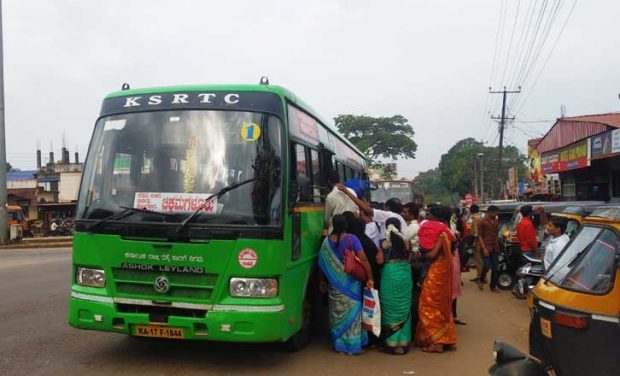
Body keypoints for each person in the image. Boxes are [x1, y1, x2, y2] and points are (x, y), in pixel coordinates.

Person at [318, 214, 374, 355]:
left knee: (337, 314)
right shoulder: (351, 239)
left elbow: (323, 265)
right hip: (351, 285)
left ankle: (340, 346)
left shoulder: (326, 242)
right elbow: (364, 260)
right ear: (346, 225)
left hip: (334, 286)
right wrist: (370, 277)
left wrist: (322, 281)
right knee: (353, 315)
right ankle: (352, 347)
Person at [415, 205, 457, 353]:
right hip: (442, 272)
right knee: (440, 306)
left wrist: (421, 256)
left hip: (436, 272)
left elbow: (432, 255)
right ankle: (445, 338)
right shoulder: (446, 232)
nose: (428, 217)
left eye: (429, 215)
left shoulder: (441, 234)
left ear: (436, 216)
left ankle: (437, 343)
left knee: (428, 305)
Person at [377, 217, 412, 354]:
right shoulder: (405, 240)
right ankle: (403, 344)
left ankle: (390, 344)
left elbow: (379, 261)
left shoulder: (384, 243)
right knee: (403, 306)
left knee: (389, 307)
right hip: (404, 274)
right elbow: (408, 258)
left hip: (390, 275)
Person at [477, 205, 501, 293]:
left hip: (495, 246)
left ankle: (493, 286)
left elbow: (496, 234)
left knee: (495, 268)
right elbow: (479, 236)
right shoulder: (482, 221)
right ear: (490, 212)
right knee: (486, 265)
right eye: (495, 212)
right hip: (486, 245)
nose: (496, 214)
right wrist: (484, 248)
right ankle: (481, 278)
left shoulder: (496, 221)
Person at [468, 204, 484, 283]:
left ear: (471, 210)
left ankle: (480, 276)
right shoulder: (480, 217)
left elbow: (476, 232)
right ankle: (480, 275)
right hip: (480, 240)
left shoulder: (475, 218)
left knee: (478, 259)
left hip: (477, 241)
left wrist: (474, 242)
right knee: (479, 259)